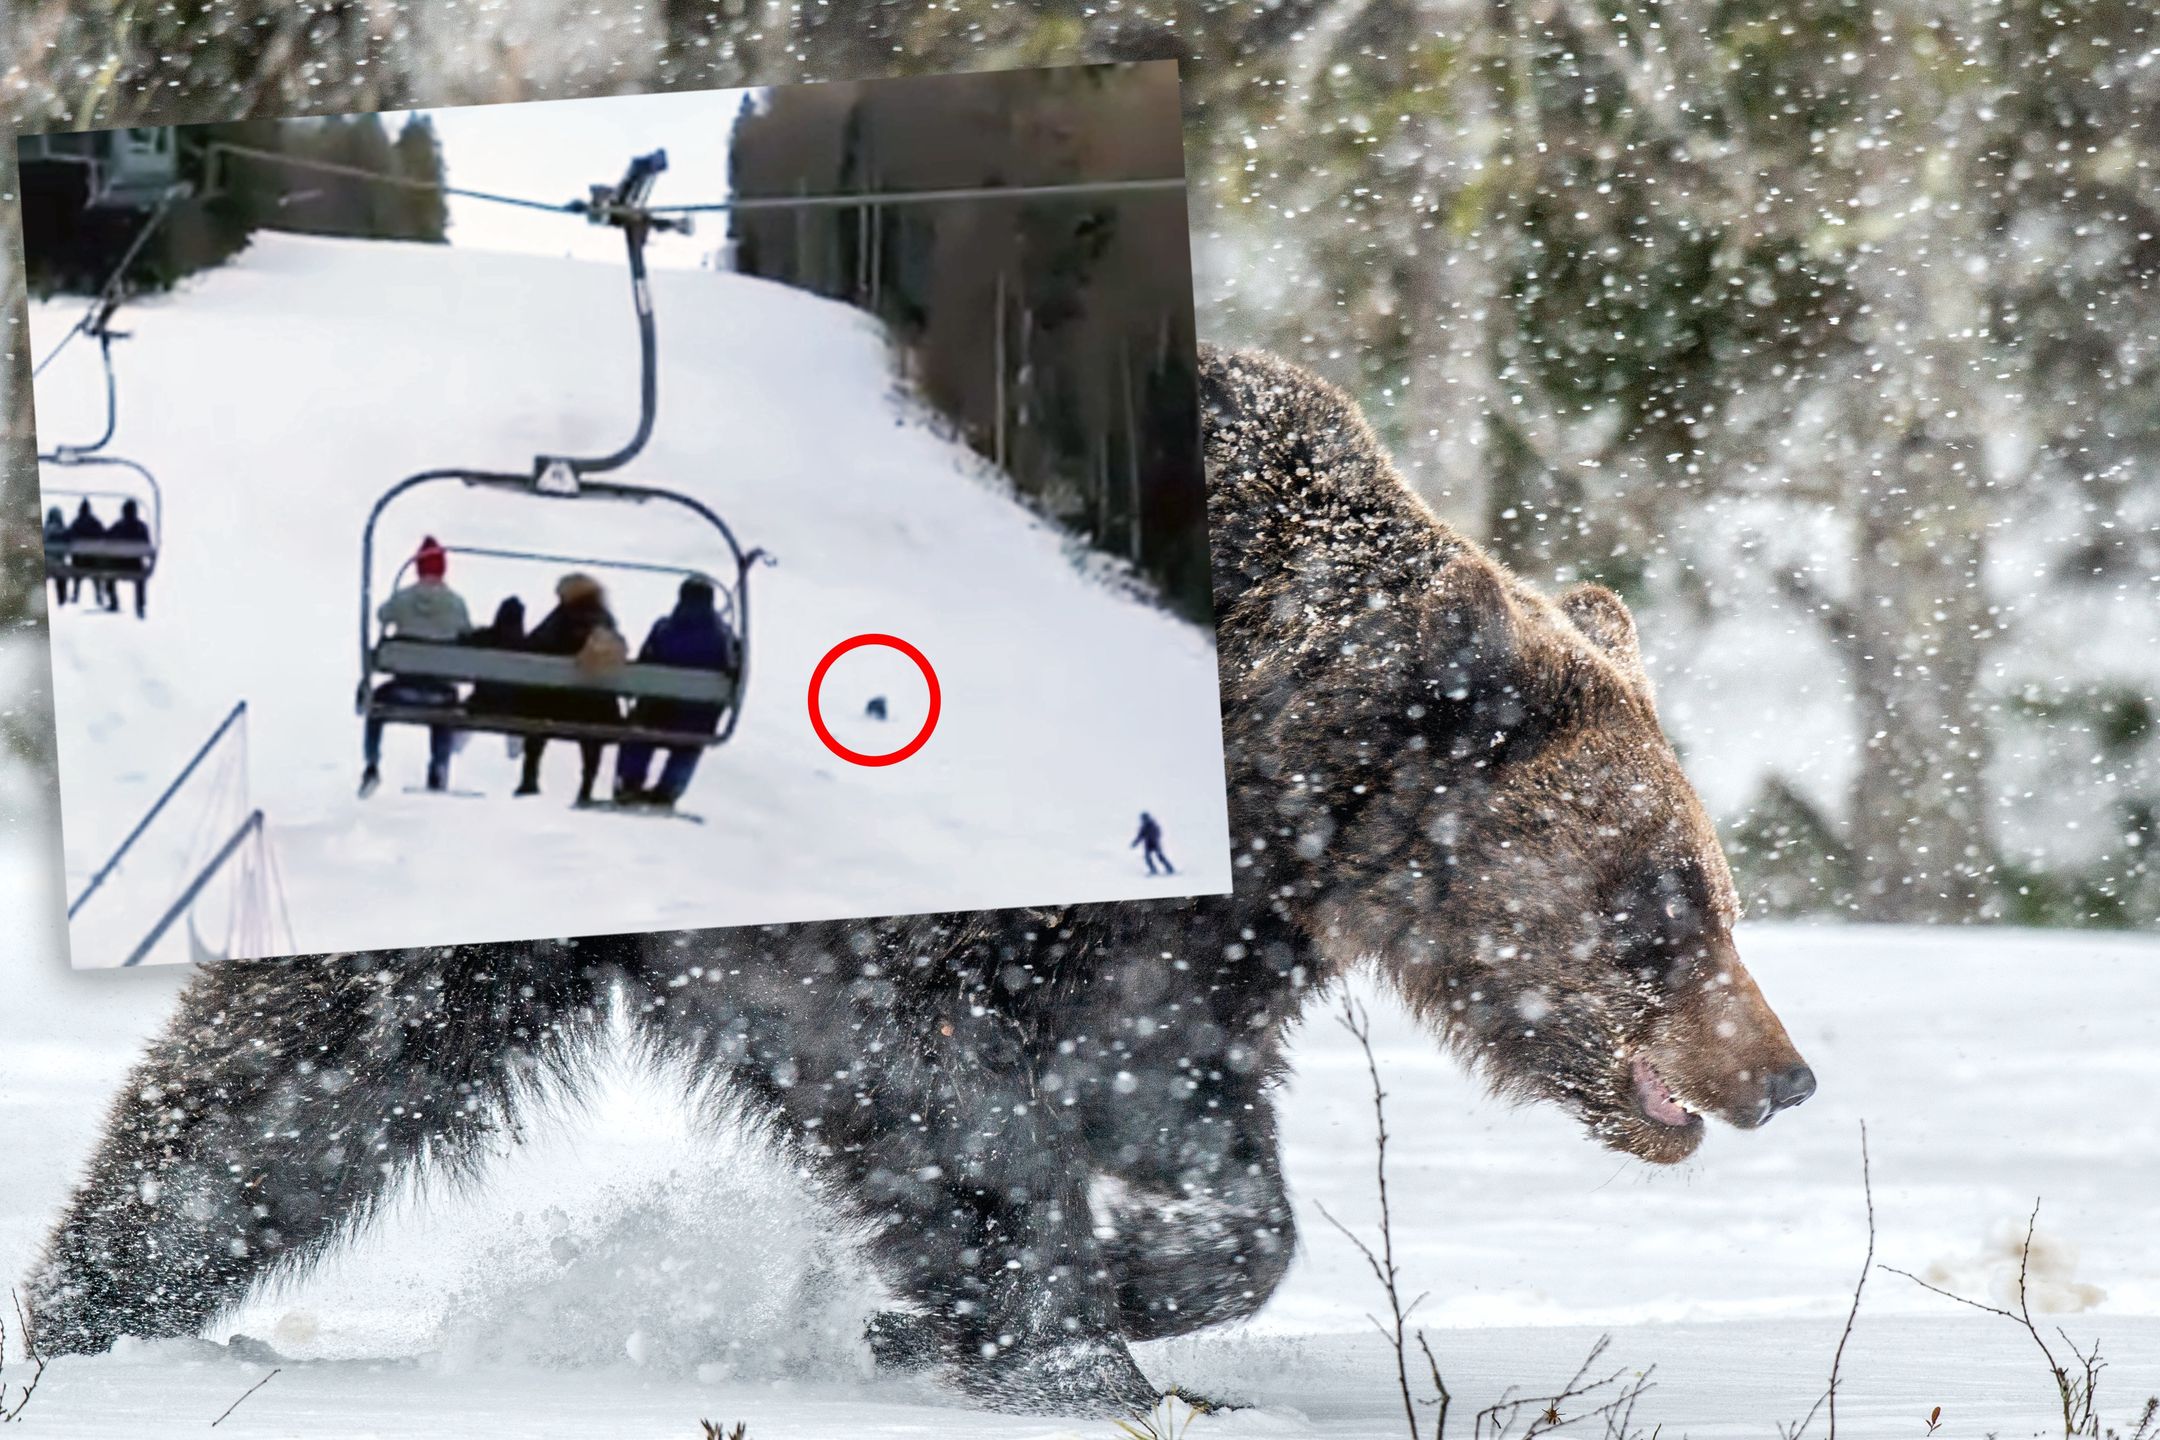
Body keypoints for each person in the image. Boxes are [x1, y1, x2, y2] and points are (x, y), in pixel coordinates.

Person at [360, 536, 473, 798]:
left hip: (402, 689)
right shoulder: (456, 604)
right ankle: (438, 766)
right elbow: (466, 632)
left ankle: (372, 763)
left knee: (375, 703)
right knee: (445, 709)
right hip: (439, 694)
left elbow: (381, 615)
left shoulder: (402, 598)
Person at [614, 577, 738, 810]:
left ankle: (630, 782)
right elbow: (733, 671)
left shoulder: (664, 628)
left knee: (640, 732)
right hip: (697, 718)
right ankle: (669, 789)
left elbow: (645, 663)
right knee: (690, 744)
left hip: (656, 710)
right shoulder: (724, 638)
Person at [517, 573, 625, 805]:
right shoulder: (605, 621)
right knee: (593, 728)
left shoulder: (561, 617)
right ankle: (587, 786)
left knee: (536, 709)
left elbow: (534, 646)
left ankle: (529, 776)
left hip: (556, 704)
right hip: (595, 709)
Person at [64, 499, 116, 610]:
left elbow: (69, 538)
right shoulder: (95, 522)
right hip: (93, 560)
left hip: (79, 560)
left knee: (77, 574)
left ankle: (75, 595)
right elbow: (103, 536)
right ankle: (98, 596)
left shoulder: (76, 522)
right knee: (96, 576)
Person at [106, 498, 152, 619]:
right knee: (140, 580)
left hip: (118, 565)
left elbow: (106, 540)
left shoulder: (118, 526)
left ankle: (113, 600)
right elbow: (147, 546)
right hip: (135, 565)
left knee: (108, 572)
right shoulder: (141, 527)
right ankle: (140, 606)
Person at [43, 507, 70, 610]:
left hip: (49, 562)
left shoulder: (46, 528)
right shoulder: (62, 529)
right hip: (57, 562)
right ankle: (62, 600)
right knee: (62, 576)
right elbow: (68, 546)